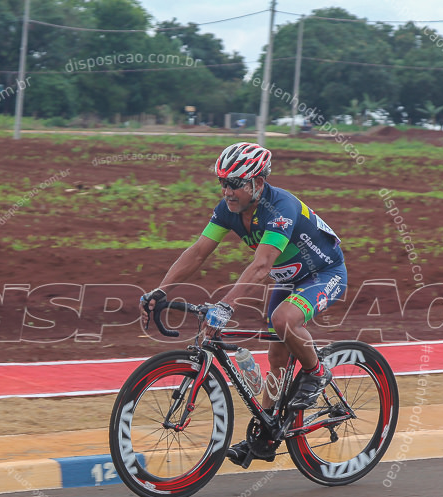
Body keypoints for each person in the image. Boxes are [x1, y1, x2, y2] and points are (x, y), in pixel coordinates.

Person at [140, 142, 348, 464]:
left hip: (324, 272)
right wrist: (161, 291)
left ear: (258, 183)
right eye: (222, 183)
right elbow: (198, 252)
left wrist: (225, 305)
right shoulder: (229, 209)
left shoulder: (280, 208)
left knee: (283, 321)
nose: (227, 191)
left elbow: (263, 266)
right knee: (276, 354)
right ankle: (266, 434)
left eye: (235, 183)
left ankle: (317, 372)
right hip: (287, 277)